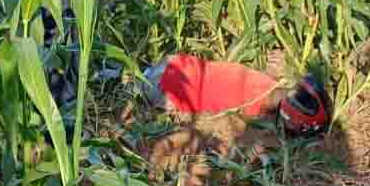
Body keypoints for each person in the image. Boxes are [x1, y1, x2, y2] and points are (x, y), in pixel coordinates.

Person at [142, 54, 332, 135]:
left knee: (126, 75)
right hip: (169, 82)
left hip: (171, 75)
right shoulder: (260, 103)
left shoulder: (261, 99)